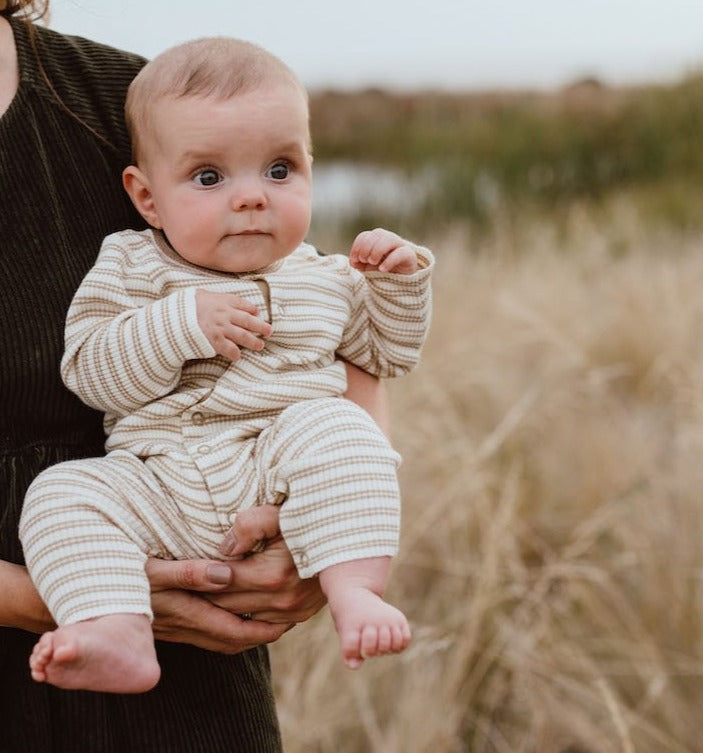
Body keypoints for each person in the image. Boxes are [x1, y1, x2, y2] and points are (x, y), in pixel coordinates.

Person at [0, 3, 414, 750]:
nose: (251, 195)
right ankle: (113, 623)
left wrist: (396, 283)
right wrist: (181, 325)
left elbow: (375, 356)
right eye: (212, 177)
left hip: (245, 517)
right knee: (60, 493)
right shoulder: (129, 265)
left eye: (282, 170)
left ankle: (357, 587)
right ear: (145, 197)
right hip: (142, 497)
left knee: (337, 431)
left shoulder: (133, 100)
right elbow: (91, 367)